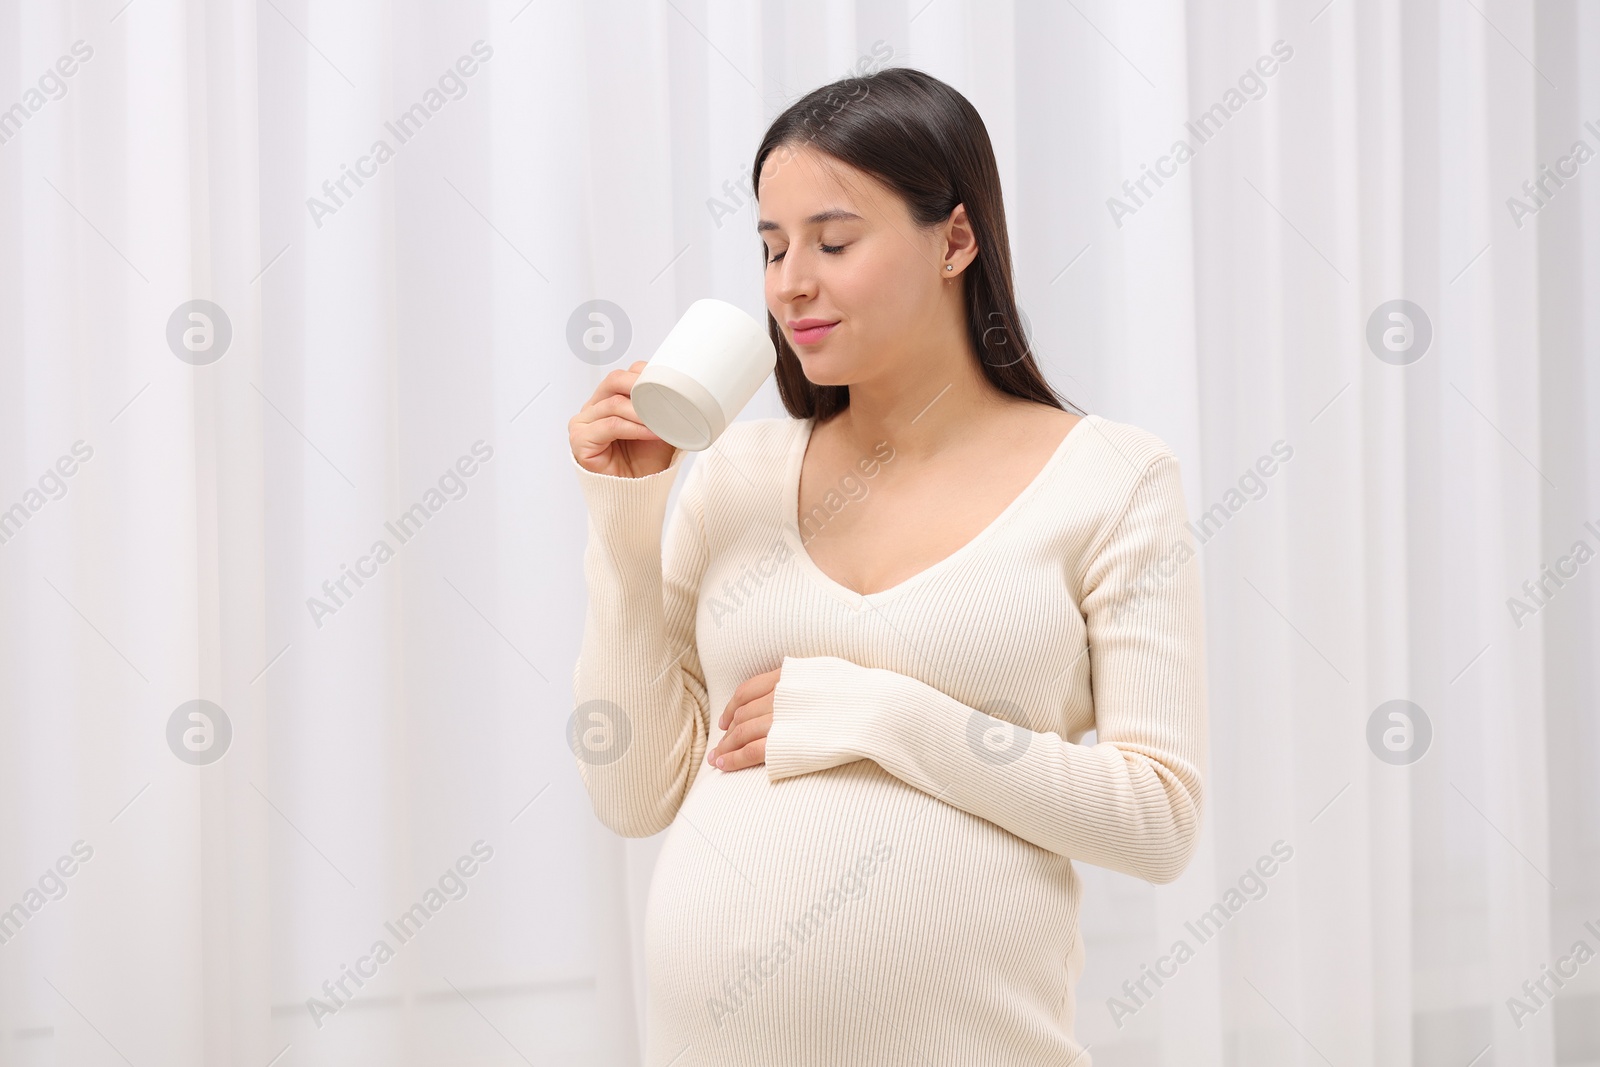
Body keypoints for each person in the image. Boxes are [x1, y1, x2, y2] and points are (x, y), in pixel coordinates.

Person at [567, 66, 1207, 1067]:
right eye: (772, 248)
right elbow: (633, 791)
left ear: (955, 238)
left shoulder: (1112, 478)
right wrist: (623, 517)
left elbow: (1157, 821)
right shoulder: (736, 470)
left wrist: (885, 715)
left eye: (832, 241)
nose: (790, 283)